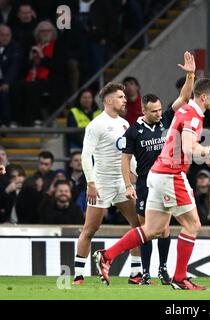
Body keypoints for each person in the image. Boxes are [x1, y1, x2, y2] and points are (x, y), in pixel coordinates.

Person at [93, 78, 210, 290]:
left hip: (157, 173)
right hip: (171, 175)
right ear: (204, 97)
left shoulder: (185, 110)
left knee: (152, 229)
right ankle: (180, 278)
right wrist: (209, 150)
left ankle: (107, 256)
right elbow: (189, 147)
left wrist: (190, 76)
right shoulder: (193, 116)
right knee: (193, 225)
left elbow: (184, 143)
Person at [120, 51, 196, 285]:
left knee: (164, 230)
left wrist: (191, 75)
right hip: (144, 183)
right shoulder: (133, 131)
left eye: (160, 109)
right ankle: (145, 272)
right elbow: (125, 160)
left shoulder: (166, 120)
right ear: (143, 110)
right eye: (154, 110)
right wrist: (128, 185)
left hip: (167, 180)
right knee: (147, 228)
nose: (159, 113)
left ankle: (163, 269)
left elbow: (183, 98)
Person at [73, 82, 142, 285]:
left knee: (137, 226)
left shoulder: (125, 124)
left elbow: (130, 157)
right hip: (101, 185)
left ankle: (136, 274)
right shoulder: (96, 125)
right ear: (109, 100)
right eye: (120, 97)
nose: (124, 100)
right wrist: (91, 183)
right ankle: (78, 275)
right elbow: (86, 156)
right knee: (90, 229)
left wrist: (143, 175)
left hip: (123, 183)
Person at [0, 24, 22, 127]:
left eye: (7, 35)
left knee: (5, 93)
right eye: (2, 35)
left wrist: (6, 82)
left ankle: (6, 123)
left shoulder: (15, 48)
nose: (5, 38)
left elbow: (14, 67)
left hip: (9, 80)